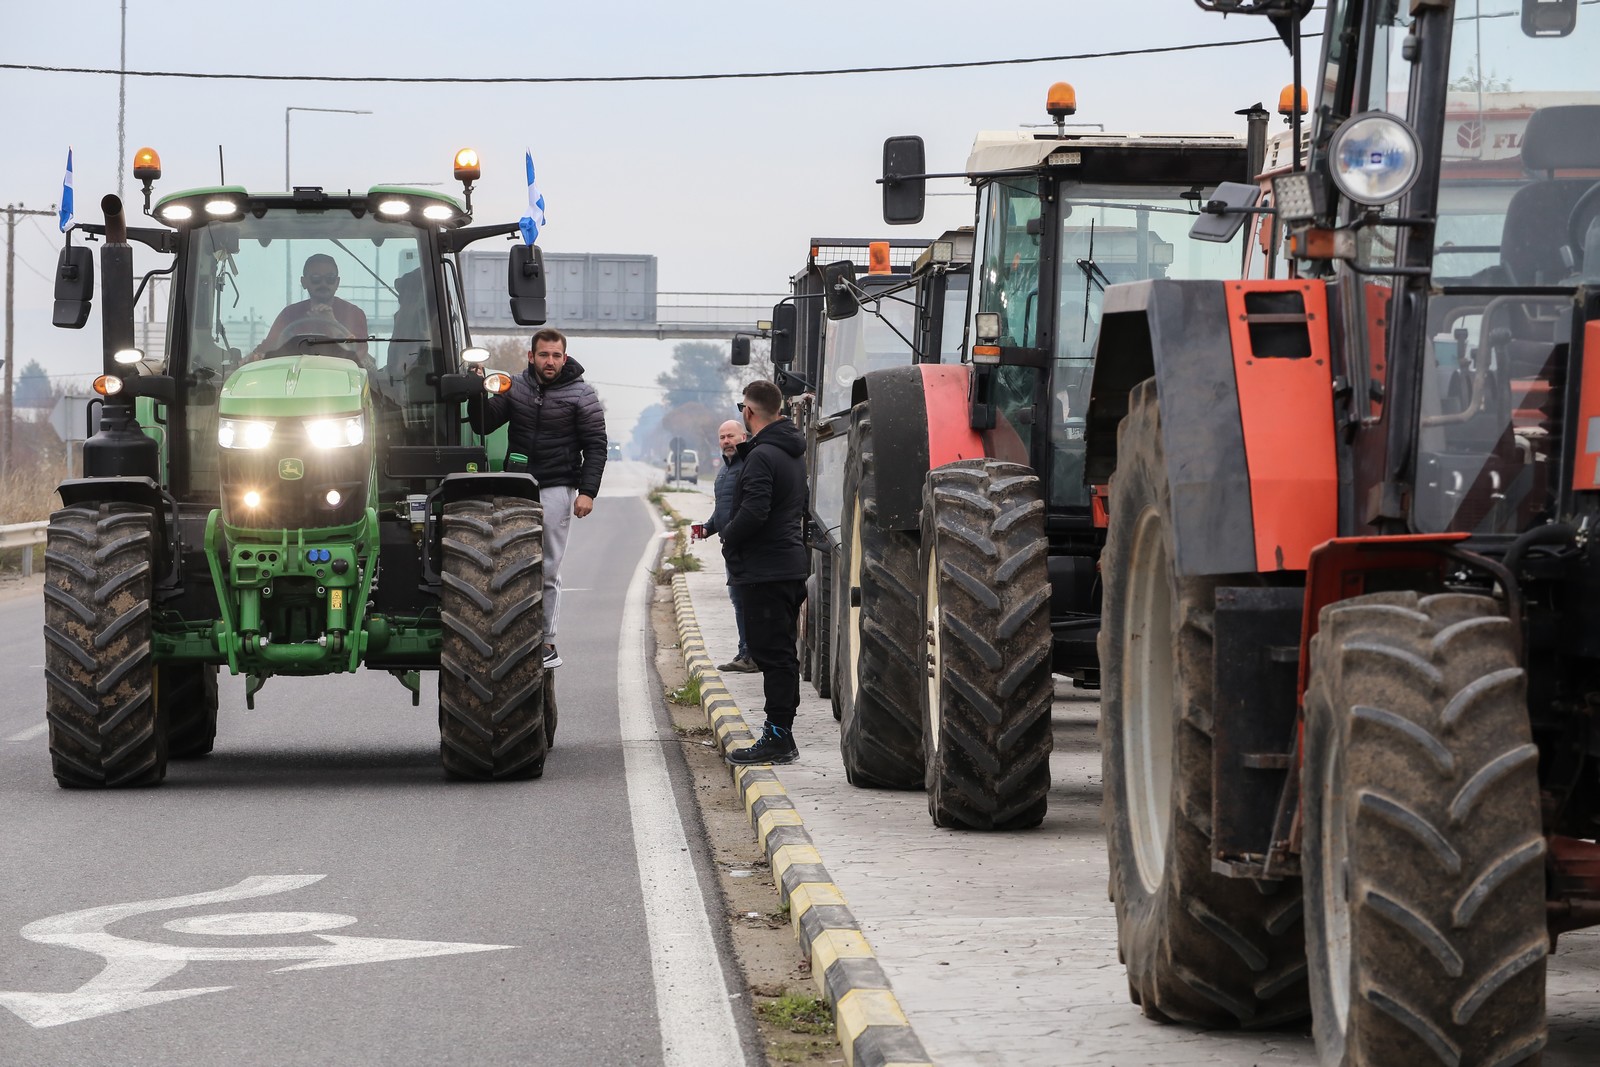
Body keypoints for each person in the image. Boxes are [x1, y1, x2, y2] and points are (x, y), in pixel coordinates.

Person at [469, 328, 607, 668]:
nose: (550, 361)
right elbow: (482, 424)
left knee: (546, 567)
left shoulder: (581, 395)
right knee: (507, 564)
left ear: (565, 357)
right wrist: (475, 390)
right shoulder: (515, 386)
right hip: (516, 486)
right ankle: (507, 634)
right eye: (543, 355)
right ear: (531, 357)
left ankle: (547, 642)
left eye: (556, 355)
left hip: (557, 487)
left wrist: (587, 492)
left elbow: (596, 447)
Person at [720, 380, 809, 766]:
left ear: (749, 412)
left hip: (764, 570)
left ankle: (777, 736)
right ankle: (781, 732)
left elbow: (754, 511)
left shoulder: (761, 456)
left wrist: (728, 538)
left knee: (772, 656)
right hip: (788, 566)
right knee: (782, 654)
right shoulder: (791, 452)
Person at [692, 419, 755, 673]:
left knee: (745, 601)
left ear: (744, 436)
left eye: (731, 436)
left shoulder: (749, 464)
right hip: (730, 546)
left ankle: (750, 654)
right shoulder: (724, 470)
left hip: (747, 545)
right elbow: (723, 509)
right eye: (722, 438)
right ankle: (745, 652)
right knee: (738, 600)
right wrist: (707, 528)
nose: (726, 442)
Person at [254, 254, 371, 362]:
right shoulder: (289, 314)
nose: (323, 284)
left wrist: (332, 323)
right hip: (295, 376)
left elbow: (358, 352)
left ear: (337, 282)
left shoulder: (354, 314)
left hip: (343, 377)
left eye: (330, 278)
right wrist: (252, 358)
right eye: (316, 278)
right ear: (304, 282)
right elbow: (267, 349)